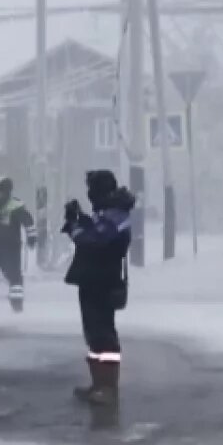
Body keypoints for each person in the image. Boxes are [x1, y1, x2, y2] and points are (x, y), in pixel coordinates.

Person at [61, 169, 136, 407]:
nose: (90, 194)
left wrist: (74, 226)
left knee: (104, 335)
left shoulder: (116, 214)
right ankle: (98, 385)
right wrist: (79, 217)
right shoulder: (106, 212)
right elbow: (94, 230)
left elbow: (95, 240)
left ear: (102, 190)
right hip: (93, 280)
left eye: (92, 189)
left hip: (103, 281)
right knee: (94, 334)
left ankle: (108, 388)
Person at [0, 176, 37, 311]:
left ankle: (17, 304)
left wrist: (31, 236)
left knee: (14, 274)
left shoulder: (15, 206)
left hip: (11, 247)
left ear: (7, 191)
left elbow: (28, 221)